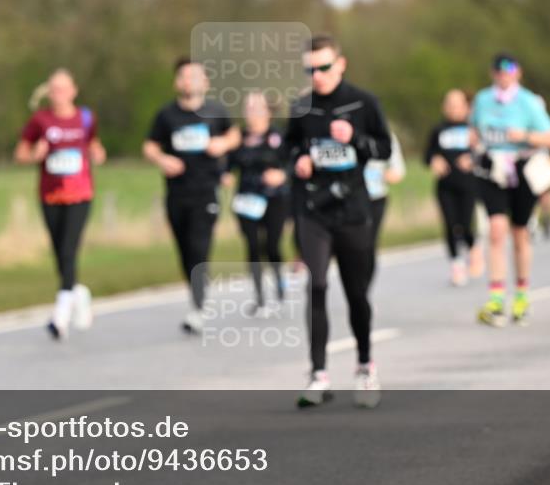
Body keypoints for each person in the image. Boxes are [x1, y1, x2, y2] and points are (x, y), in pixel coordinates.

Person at [285, 34, 392, 408]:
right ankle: (318, 374)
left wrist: (356, 138)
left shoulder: (363, 102)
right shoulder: (301, 107)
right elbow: (287, 148)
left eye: (324, 67)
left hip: (354, 211)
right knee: (315, 285)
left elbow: (384, 149)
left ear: (340, 64)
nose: (317, 75)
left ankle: (365, 365)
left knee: (356, 292)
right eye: (310, 70)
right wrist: (298, 160)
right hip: (314, 211)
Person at [143, 57, 241, 333]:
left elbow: (234, 135)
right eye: (184, 77)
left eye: (194, 76)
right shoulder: (166, 115)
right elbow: (149, 146)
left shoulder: (216, 111)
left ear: (205, 82)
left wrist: (222, 143)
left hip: (206, 191)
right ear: (177, 82)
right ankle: (198, 295)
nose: (189, 82)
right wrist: (162, 159)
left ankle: (199, 307)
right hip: (176, 192)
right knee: (185, 251)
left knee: (199, 247)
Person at [15, 69, 106, 339]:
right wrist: (35, 155)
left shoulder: (86, 118)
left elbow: (94, 144)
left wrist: (98, 152)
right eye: (54, 89)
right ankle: (79, 293)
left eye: (64, 89)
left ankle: (60, 316)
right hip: (50, 196)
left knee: (68, 249)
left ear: (74, 91)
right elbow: (20, 154)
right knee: (60, 254)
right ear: (48, 92)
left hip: (80, 195)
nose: (59, 94)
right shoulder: (40, 120)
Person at [471, 53, 550, 327]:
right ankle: (496, 299)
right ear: (493, 73)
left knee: (520, 234)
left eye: (508, 69)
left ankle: (521, 296)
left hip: (522, 170)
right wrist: (473, 144)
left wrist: (525, 136)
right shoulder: (483, 100)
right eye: (498, 70)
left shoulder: (528, 102)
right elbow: (473, 129)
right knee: (496, 230)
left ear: (518, 72)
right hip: (492, 171)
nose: (503, 74)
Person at [225, 92, 290, 314]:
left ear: (268, 111)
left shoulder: (278, 136)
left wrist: (282, 175)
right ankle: (259, 296)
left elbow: (292, 163)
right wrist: (225, 175)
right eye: (248, 108)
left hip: (274, 198)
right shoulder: (239, 138)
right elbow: (228, 165)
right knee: (252, 247)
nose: (252, 112)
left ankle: (279, 285)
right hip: (247, 199)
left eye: (257, 108)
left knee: (271, 246)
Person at [425, 89, 483, 286]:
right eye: (449, 104)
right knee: (450, 224)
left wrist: (472, 158)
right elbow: (427, 155)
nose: (453, 109)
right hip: (445, 185)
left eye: (457, 105)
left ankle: (473, 246)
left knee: (465, 223)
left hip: (468, 185)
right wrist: (434, 160)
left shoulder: (473, 129)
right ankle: (456, 264)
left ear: (466, 107)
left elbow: (483, 153)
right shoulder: (438, 130)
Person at [364, 132, 405, 281]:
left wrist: (385, 175)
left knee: (368, 245)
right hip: (348, 200)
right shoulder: (340, 129)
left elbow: (398, 170)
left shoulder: (384, 133)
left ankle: (363, 288)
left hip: (376, 197)